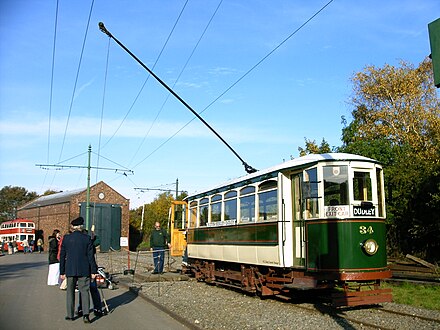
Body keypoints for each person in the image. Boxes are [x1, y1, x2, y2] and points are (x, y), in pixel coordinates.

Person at [60, 217, 98, 324]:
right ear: (81, 227)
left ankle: (70, 315)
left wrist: (62, 271)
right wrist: (93, 271)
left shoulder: (66, 238)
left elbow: (62, 256)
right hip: (84, 269)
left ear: (73, 227)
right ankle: (86, 315)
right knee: (84, 292)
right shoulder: (87, 239)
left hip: (70, 269)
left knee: (70, 292)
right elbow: (91, 257)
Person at [77, 229, 105, 317]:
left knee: (83, 290)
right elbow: (98, 241)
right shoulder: (89, 243)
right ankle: (97, 308)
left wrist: (94, 236)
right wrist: (94, 236)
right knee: (93, 289)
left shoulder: (81, 243)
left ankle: (82, 308)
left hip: (83, 269)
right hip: (90, 268)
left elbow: (98, 241)